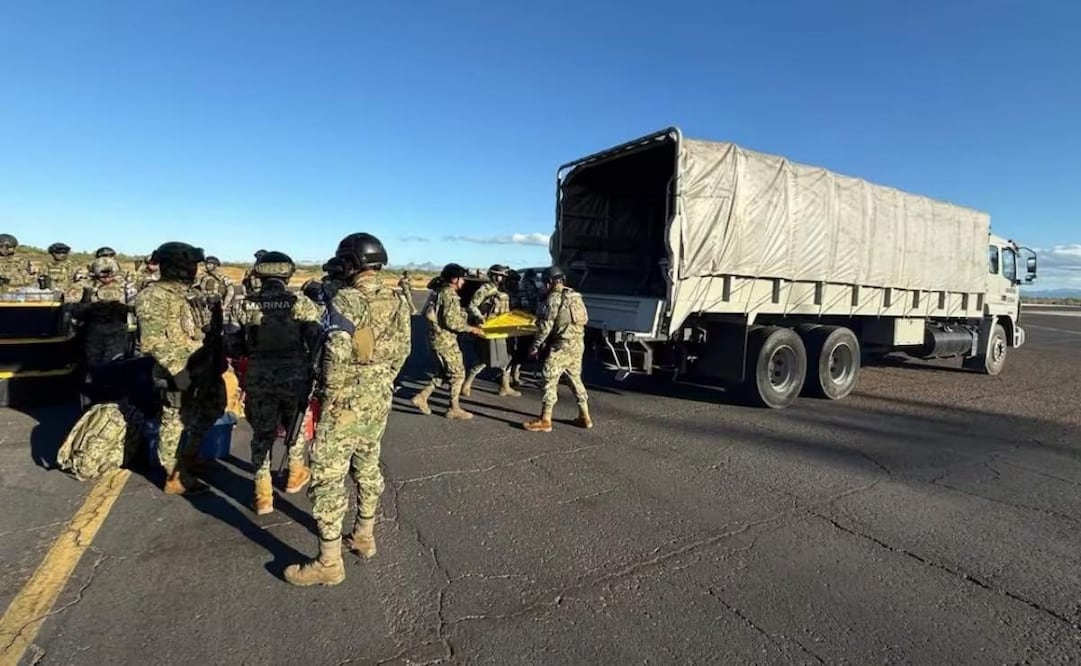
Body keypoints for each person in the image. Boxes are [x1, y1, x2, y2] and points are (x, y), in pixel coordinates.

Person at [284, 232, 411, 587]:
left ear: (352, 263)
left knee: (327, 476)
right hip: (379, 395)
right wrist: (380, 378)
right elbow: (403, 350)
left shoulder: (346, 299)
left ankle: (328, 562)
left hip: (345, 402)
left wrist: (329, 392)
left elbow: (336, 352)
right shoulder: (399, 299)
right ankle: (364, 536)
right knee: (367, 463)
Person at [233, 251, 323, 515]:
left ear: (259, 272)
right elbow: (317, 340)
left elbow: (235, 345)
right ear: (288, 273)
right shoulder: (301, 303)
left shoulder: (245, 304)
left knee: (262, 435)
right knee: (293, 426)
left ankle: (263, 496)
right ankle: (295, 474)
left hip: (259, 378)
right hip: (295, 378)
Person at [134, 241, 225, 495]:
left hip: (203, 367)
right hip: (176, 373)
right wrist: (178, 371)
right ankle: (173, 474)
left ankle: (189, 455)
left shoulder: (190, 293)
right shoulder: (153, 296)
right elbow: (151, 341)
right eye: (191, 264)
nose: (195, 269)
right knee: (173, 421)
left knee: (213, 409)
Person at [522, 266, 593, 432]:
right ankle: (585, 416)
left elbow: (546, 327)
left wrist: (535, 346)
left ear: (549, 282)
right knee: (575, 379)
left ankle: (545, 419)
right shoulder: (575, 296)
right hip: (577, 344)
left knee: (548, 379)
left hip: (561, 345)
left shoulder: (554, 298)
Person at [410, 263, 484, 419]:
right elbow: (451, 321)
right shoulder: (449, 294)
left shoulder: (440, 292)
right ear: (454, 279)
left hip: (437, 338)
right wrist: (472, 328)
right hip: (445, 340)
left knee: (444, 372)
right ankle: (453, 408)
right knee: (458, 374)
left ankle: (422, 397)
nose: (464, 282)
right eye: (462, 279)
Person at [462, 264, 519, 398]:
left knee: (508, 357)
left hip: (504, 328)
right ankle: (466, 384)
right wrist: (480, 318)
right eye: (501, 276)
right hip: (490, 329)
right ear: (493, 276)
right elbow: (472, 306)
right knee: (485, 359)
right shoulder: (485, 289)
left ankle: (505, 387)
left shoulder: (503, 289)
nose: (504, 278)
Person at [67, 258, 133, 368]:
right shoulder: (83, 285)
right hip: (92, 330)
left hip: (117, 330)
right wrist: (89, 306)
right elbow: (71, 308)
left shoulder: (124, 285)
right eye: (103, 273)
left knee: (114, 363)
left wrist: (120, 307)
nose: (107, 276)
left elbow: (133, 305)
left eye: (110, 273)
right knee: (92, 363)